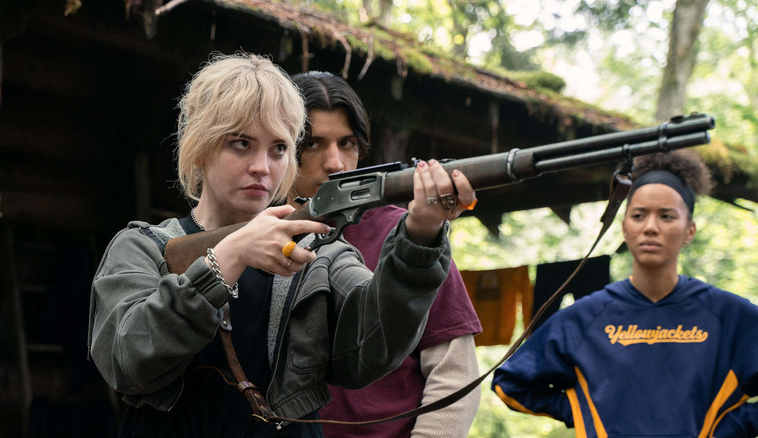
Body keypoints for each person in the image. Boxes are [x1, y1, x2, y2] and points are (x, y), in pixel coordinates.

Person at [87, 53, 477, 438]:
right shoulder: (143, 247)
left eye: (278, 148)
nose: (263, 166)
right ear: (199, 147)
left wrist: (420, 235)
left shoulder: (321, 254)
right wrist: (231, 256)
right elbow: (128, 362)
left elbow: (370, 349)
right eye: (241, 144)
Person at [492, 150, 758, 437]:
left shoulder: (730, 316)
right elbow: (510, 383)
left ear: (689, 230)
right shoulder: (585, 317)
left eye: (667, 216)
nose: (651, 227)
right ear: (625, 228)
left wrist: (732, 425)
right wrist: (583, 412)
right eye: (639, 215)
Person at [289, 71, 482, 438]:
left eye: (347, 143)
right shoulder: (256, 234)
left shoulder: (412, 234)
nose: (335, 162)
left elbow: (454, 372)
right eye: (313, 144)